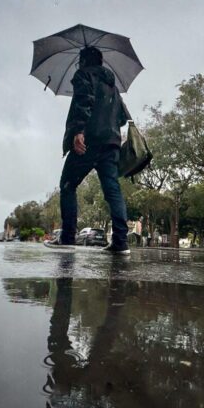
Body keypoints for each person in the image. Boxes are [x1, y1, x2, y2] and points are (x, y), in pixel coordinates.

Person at [48, 46, 130, 254]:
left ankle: (67, 238)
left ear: (84, 61)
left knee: (68, 184)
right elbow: (122, 117)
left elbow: (84, 101)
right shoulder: (113, 85)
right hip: (112, 142)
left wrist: (78, 130)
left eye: (80, 61)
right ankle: (121, 242)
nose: (79, 64)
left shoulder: (83, 74)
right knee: (112, 190)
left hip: (88, 140)